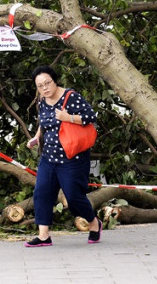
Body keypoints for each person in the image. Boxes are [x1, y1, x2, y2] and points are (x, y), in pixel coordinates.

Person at [24, 65, 102, 247]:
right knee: (41, 192)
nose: (44, 88)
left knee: (74, 196)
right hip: (48, 157)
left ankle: (94, 223)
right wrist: (36, 138)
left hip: (72, 158)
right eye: (40, 85)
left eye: (47, 83)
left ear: (54, 80)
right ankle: (44, 236)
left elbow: (91, 117)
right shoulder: (42, 101)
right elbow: (43, 122)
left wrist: (69, 118)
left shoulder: (70, 97)